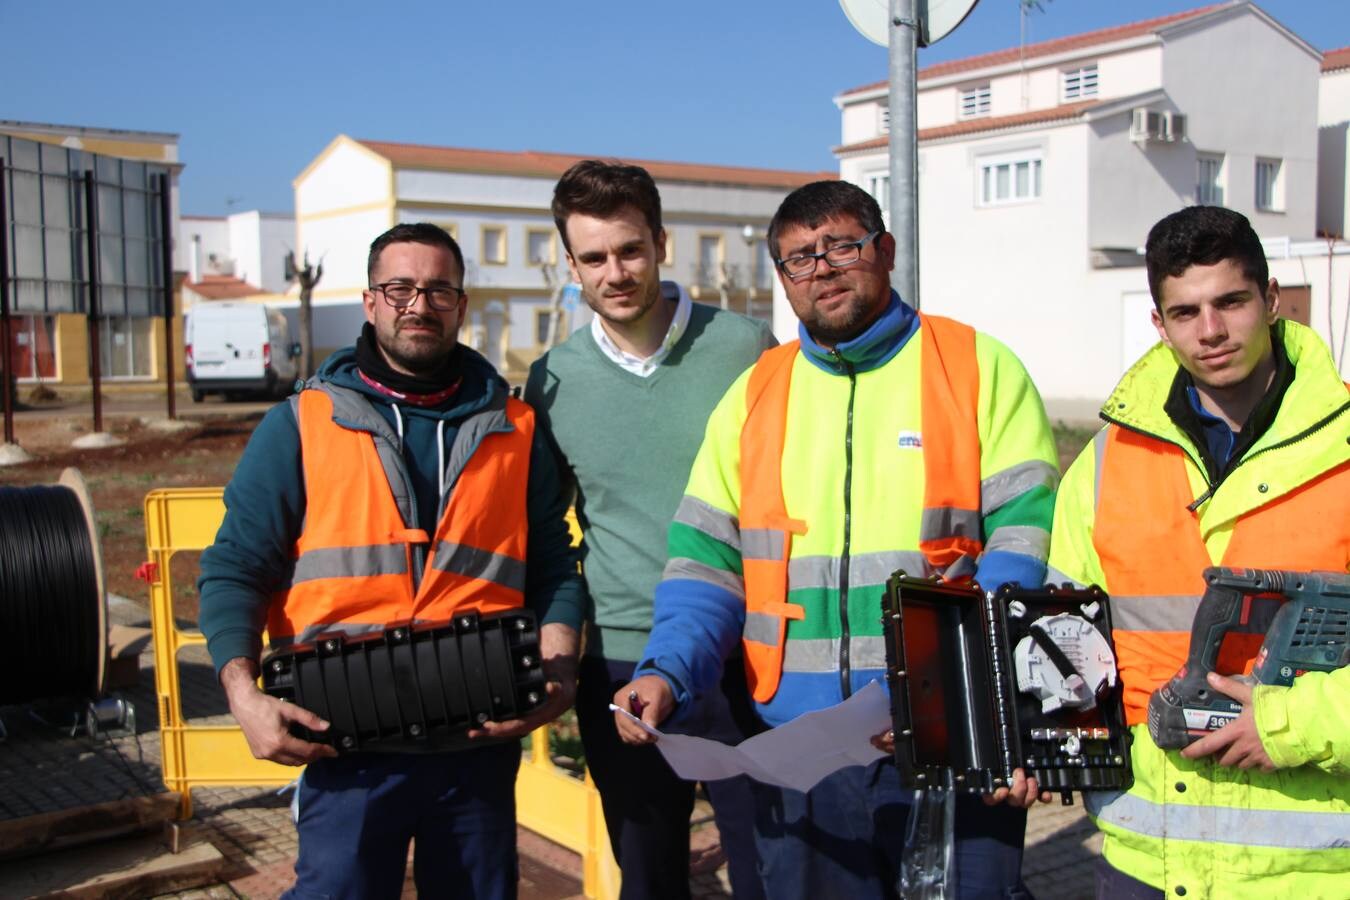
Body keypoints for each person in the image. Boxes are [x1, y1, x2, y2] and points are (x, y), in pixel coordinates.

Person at [614, 180, 1059, 899]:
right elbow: (706, 566)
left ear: (884, 251)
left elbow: (1023, 553)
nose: (821, 268)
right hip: (802, 757)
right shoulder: (756, 395)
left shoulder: (979, 367)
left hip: (949, 744)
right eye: (798, 259)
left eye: (841, 247)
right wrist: (666, 669)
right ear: (782, 279)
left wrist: (949, 696)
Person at [198, 222, 585, 900]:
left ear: (460, 305)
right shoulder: (300, 424)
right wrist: (241, 693)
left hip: (478, 744)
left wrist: (557, 670)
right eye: (400, 287)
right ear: (371, 301)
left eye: (438, 289)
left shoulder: (516, 428)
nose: (419, 303)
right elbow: (235, 567)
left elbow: (554, 566)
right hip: (346, 747)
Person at [1047, 205, 1349, 899]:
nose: (1210, 331)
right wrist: (1042, 746)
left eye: (1231, 302)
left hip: (1316, 874)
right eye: (1184, 312)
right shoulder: (1103, 464)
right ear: (1159, 323)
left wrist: (1292, 726)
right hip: (1143, 866)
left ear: (1271, 300)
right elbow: (1061, 641)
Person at [524, 159, 775, 900]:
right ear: (570, 265)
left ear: (661, 243)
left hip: (745, 654)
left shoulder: (745, 349)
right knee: (650, 876)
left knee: (771, 870)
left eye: (629, 250)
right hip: (621, 663)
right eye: (594, 258)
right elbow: (547, 534)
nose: (615, 271)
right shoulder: (553, 379)